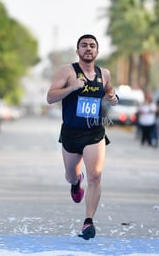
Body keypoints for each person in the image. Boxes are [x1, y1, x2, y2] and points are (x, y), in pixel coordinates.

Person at [46, 34, 119, 240]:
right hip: (71, 133)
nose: (88, 48)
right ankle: (76, 182)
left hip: (94, 132)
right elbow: (50, 97)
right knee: (70, 174)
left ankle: (88, 221)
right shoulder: (67, 72)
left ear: (97, 51)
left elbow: (109, 91)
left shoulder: (104, 73)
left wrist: (113, 97)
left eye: (92, 46)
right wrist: (71, 88)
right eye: (84, 45)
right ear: (78, 51)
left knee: (95, 176)